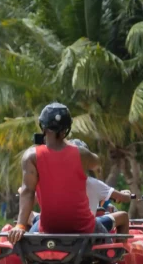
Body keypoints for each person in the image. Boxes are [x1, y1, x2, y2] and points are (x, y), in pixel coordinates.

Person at [7, 102, 105, 244]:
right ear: (67, 129)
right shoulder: (82, 154)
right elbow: (97, 162)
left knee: (30, 242)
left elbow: (28, 192)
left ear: (42, 127)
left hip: (49, 228)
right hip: (84, 228)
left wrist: (20, 225)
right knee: (112, 246)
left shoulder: (31, 156)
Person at [68, 139, 131, 234]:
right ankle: (119, 244)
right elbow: (125, 198)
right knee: (123, 216)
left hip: (61, 227)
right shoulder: (93, 183)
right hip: (87, 229)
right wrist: (127, 193)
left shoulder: (56, 182)